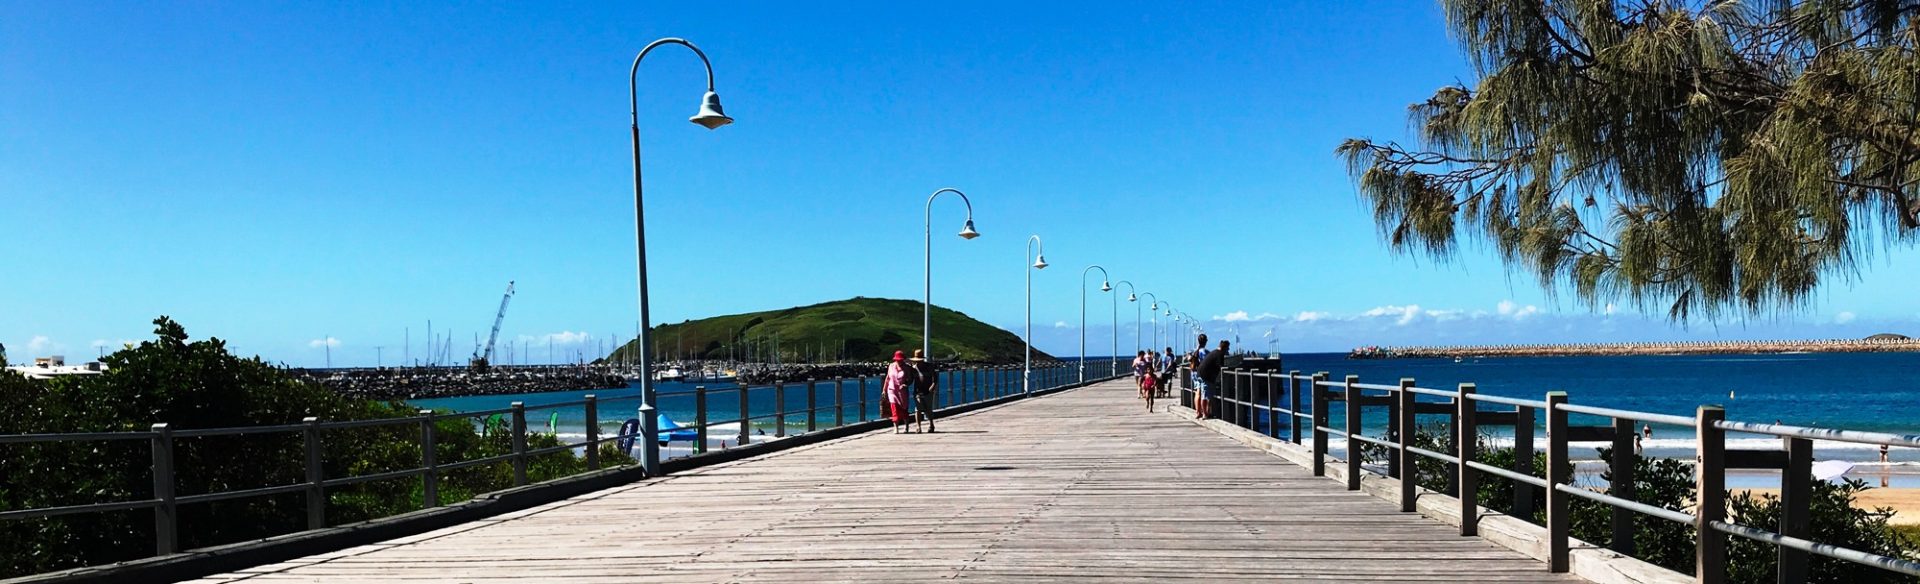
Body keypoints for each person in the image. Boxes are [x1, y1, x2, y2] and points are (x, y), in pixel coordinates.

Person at [883, 350, 913, 433]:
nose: (899, 361)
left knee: (904, 409)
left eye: (900, 360)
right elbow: (888, 378)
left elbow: (910, 379)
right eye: (897, 360)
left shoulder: (906, 367)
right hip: (892, 390)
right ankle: (896, 427)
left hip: (902, 391)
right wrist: (884, 390)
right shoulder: (891, 366)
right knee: (894, 408)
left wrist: (906, 384)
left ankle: (906, 426)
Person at [1197, 339, 1228, 419]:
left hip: (1201, 373)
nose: (1228, 350)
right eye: (1227, 348)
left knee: (1207, 394)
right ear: (1224, 348)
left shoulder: (1214, 352)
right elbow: (1221, 366)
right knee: (1205, 395)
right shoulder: (1219, 354)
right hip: (1205, 375)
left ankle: (1206, 412)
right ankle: (1205, 414)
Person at [909, 349, 938, 433]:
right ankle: (918, 427)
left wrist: (932, 386)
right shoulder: (913, 369)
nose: (918, 362)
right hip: (917, 390)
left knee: (928, 409)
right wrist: (906, 384)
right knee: (917, 409)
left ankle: (931, 424)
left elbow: (935, 378)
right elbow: (911, 380)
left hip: (928, 390)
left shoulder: (929, 366)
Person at [1189, 334, 1212, 419]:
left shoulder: (1195, 350)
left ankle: (1198, 412)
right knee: (1204, 393)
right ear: (1205, 341)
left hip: (1194, 373)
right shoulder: (1205, 352)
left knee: (1197, 392)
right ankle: (1205, 412)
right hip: (1202, 374)